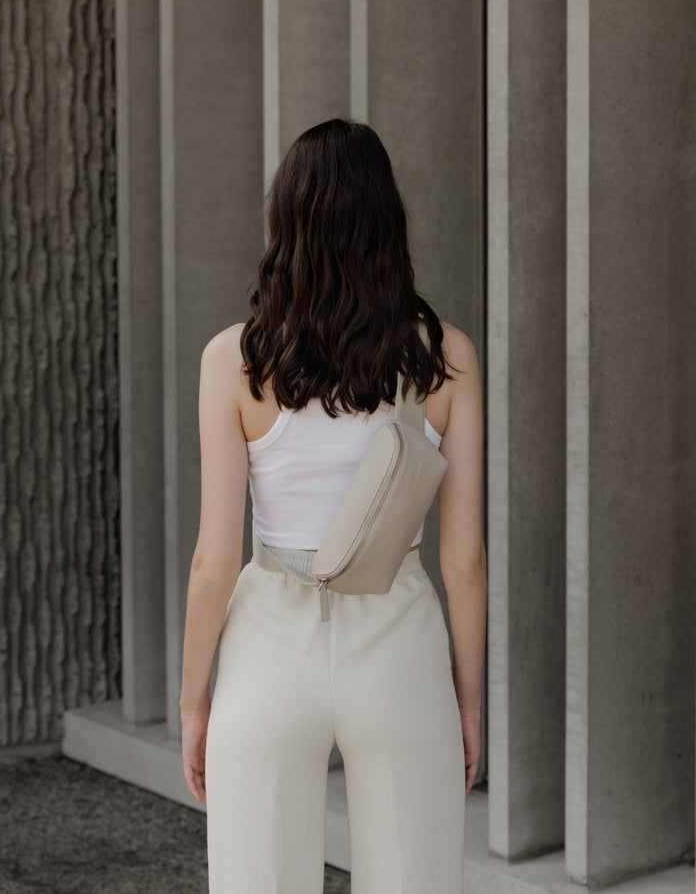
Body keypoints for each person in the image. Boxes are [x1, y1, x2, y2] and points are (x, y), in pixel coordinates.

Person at [179, 118, 487, 893]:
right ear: (388, 224)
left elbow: (215, 563)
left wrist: (193, 702)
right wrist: (468, 704)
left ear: (287, 223)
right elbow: (465, 561)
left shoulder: (236, 360)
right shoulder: (444, 356)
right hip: (401, 642)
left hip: (267, 648)